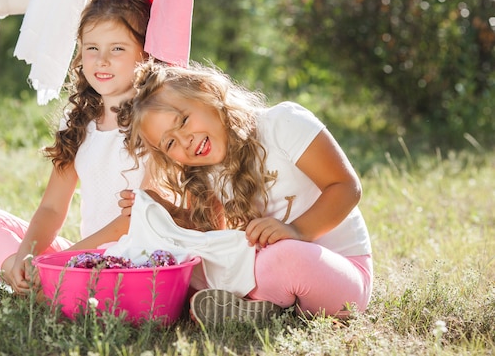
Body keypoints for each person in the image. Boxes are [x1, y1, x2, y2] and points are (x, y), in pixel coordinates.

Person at [117, 60, 373, 326]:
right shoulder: (206, 172)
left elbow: (346, 187)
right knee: (193, 262)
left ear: (207, 93)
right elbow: (214, 236)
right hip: (269, 269)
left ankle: (239, 305)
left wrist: (298, 230)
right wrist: (168, 213)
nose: (186, 142)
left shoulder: (282, 124)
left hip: (341, 275)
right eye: (170, 143)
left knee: (283, 258)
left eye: (183, 121)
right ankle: (251, 306)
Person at [0, 0, 154, 295]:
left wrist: (65, 260)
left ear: (144, 53)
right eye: (92, 48)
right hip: (83, 255)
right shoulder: (79, 120)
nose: (102, 60)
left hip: (132, 258)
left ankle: (18, 286)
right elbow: (52, 207)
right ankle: (25, 280)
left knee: (94, 278)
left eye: (117, 48)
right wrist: (28, 255)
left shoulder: (153, 121)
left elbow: (132, 221)